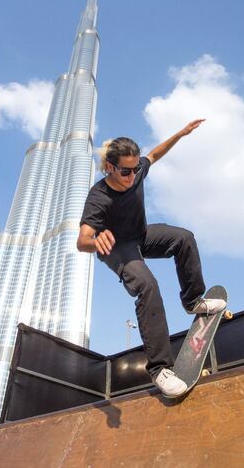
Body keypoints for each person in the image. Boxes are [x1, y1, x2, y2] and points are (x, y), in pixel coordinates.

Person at [76, 119, 226, 398]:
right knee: (148, 285)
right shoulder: (99, 197)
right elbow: (81, 241)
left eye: (135, 170)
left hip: (141, 236)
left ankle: (193, 301)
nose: (132, 177)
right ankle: (160, 369)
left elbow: (155, 154)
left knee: (184, 238)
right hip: (118, 250)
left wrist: (179, 134)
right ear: (109, 167)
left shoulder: (137, 169)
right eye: (125, 171)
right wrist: (96, 240)